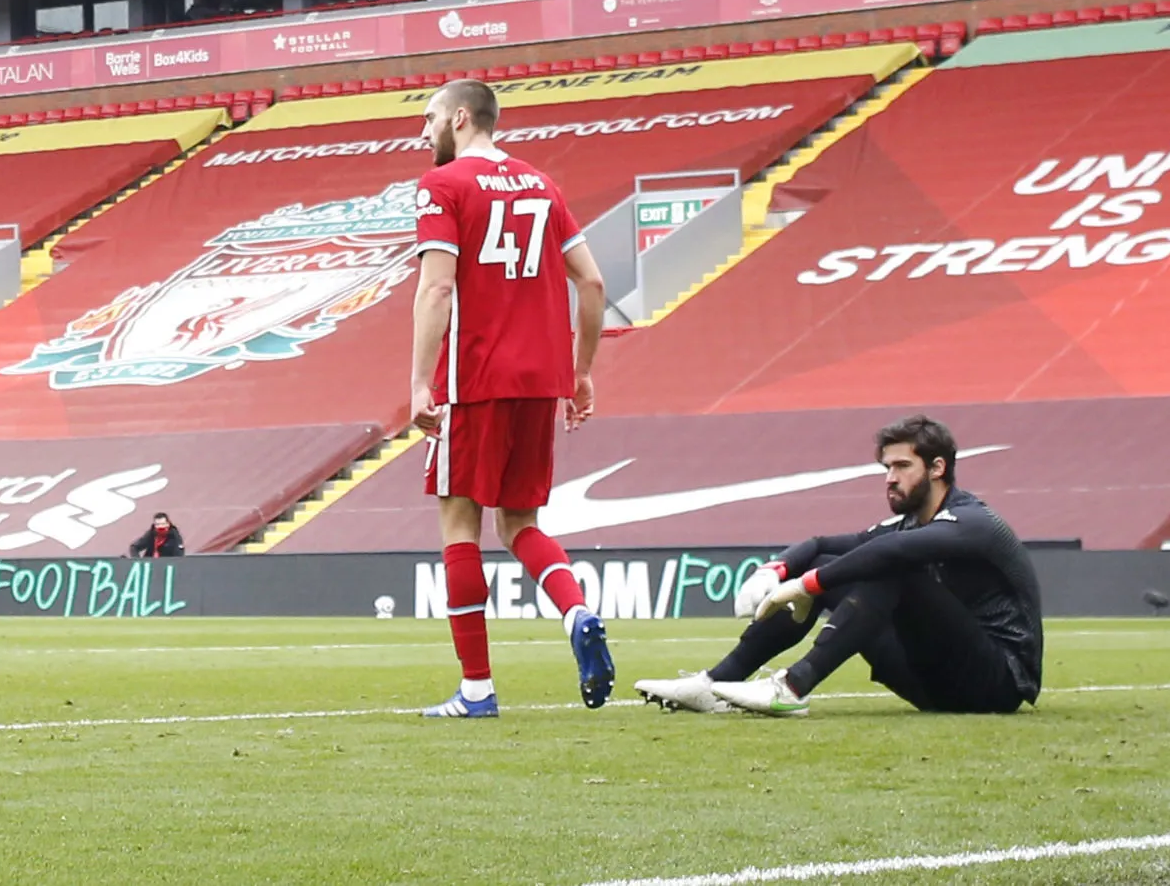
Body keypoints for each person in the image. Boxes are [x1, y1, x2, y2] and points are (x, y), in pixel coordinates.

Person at [410, 78, 614, 718]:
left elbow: (438, 290)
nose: (423, 133)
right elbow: (593, 281)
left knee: (459, 522)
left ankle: (476, 690)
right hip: (539, 381)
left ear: (461, 118)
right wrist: (580, 373)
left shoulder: (442, 187)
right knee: (521, 524)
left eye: (430, 118)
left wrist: (420, 382)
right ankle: (576, 611)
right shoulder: (541, 185)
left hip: (474, 379)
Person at [636, 415, 1043, 717]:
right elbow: (821, 545)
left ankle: (793, 687)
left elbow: (890, 555)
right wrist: (777, 570)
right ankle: (715, 684)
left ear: (937, 469)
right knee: (835, 562)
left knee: (889, 567)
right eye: (886, 468)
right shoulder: (905, 523)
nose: (889, 478)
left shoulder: (975, 522)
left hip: (997, 683)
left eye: (902, 466)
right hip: (930, 684)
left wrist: (807, 586)